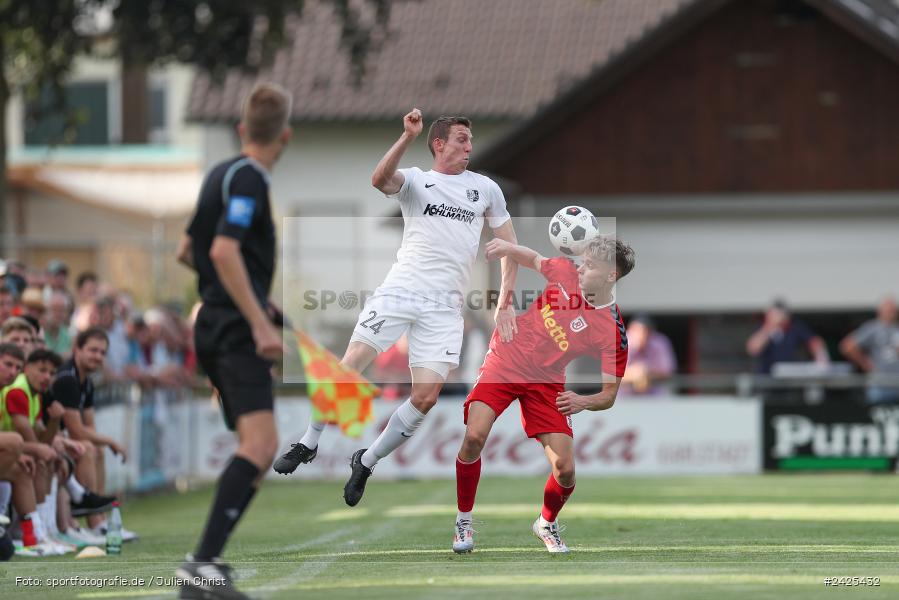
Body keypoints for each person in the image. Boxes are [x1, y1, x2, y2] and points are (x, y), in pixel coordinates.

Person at [273, 110, 519, 509]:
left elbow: (509, 247)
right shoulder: (418, 180)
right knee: (350, 364)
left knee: (425, 397)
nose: (469, 147)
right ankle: (309, 441)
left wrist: (504, 299)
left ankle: (366, 462)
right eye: (461, 139)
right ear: (438, 144)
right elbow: (378, 180)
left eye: (470, 140)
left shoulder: (485, 189)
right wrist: (406, 137)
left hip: (444, 308)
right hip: (401, 290)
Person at [175, 82, 291, 600]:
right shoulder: (250, 178)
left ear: (242, 129)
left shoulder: (219, 174)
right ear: (285, 136)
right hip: (232, 329)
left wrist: (254, 300)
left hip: (216, 322)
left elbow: (188, 250)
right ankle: (200, 564)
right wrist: (259, 321)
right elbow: (223, 251)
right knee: (261, 446)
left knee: (258, 453)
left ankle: (207, 564)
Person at [451, 235, 634, 554]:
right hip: (506, 359)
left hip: (547, 382)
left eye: (589, 265)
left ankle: (546, 523)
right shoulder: (565, 272)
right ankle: (463, 521)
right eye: (582, 261)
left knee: (565, 470)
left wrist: (582, 401)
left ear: (610, 276)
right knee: (474, 437)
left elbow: (609, 395)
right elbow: (531, 257)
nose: (580, 268)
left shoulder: (611, 331)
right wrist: (507, 249)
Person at [840, 297, 899, 404]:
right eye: (888, 310)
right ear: (880, 311)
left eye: (893, 310)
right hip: (880, 384)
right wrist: (865, 364)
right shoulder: (873, 328)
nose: (891, 313)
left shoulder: (897, 329)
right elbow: (847, 346)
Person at [746, 299, 829, 374]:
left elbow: (815, 342)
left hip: (789, 376)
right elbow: (753, 349)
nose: (780, 316)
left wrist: (821, 358)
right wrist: (770, 327)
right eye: (776, 313)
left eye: (781, 312)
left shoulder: (795, 327)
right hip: (766, 378)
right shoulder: (762, 328)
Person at [620, 314, 676, 396]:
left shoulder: (660, 343)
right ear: (630, 330)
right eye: (637, 330)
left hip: (654, 396)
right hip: (624, 398)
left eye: (646, 331)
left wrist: (646, 373)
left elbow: (668, 372)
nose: (641, 335)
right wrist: (633, 374)